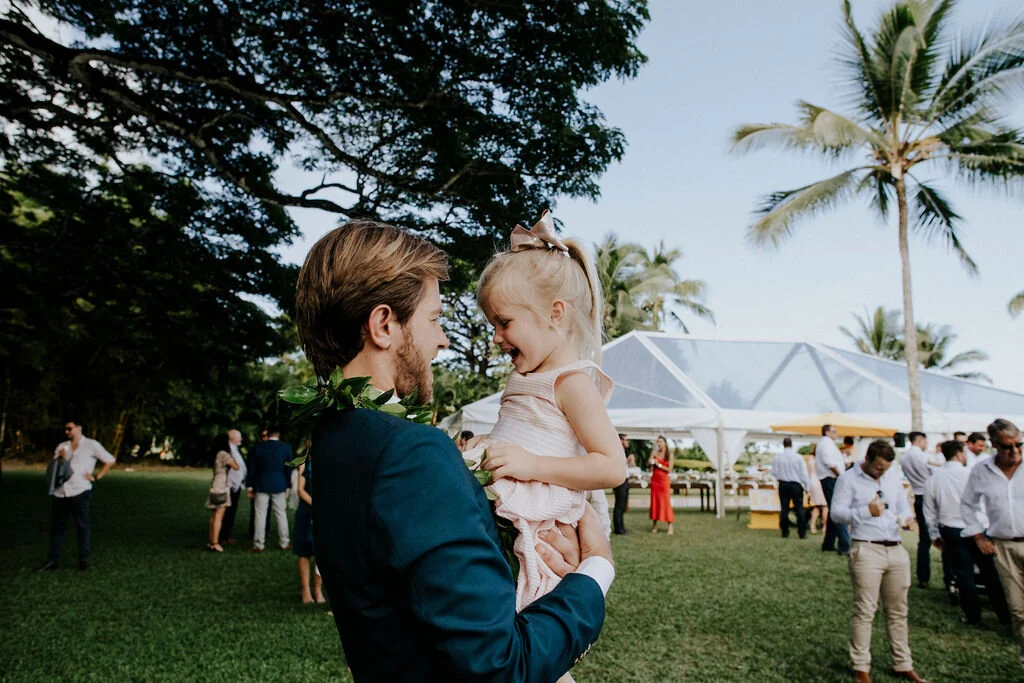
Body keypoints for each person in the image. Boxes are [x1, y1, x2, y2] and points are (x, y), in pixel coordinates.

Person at [296, 218, 614, 681]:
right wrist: (595, 569)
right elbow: (501, 668)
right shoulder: (412, 454)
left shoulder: (332, 438)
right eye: (434, 319)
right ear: (384, 325)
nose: (442, 340)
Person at [470, 209, 625, 630]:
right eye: (492, 324)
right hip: (509, 518)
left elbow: (612, 466)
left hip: (541, 527)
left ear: (555, 313)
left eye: (504, 322)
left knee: (528, 636)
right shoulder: (525, 375)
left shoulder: (571, 382)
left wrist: (531, 465)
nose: (497, 337)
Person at [831, 440, 929, 683]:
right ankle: (861, 668)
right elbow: (836, 514)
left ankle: (903, 664)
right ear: (867, 459)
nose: (881, 472)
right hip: (866, 548)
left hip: (894, 548)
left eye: (885, 468)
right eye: (878, 468)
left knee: (898, 611)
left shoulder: (892, 476)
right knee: (865, 610)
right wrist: (865, 512)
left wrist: (907, 519)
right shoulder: (848, 479)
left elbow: (902, 506)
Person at [961, 419, 1024, 672]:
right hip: (1003, 547)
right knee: (1018, 610)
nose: (1015, 452)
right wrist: (978, 536)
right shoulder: (981, 471)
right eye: (1008, 447)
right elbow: (967, 504)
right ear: (994, 445)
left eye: (1019, 444)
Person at [925, 439, 1010, 626]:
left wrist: (933, 534)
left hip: (951, 529)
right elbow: (985, 503)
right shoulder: (970, 474)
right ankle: (1004, 615)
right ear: (958, 454)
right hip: (978, 527)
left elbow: (929, 510)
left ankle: (973, 616)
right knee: (991, 574)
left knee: (964, 575)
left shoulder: (934, 478)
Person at [40, 419, 116, 571]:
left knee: (82, 526)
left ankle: (83, 560)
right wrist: (61, 457)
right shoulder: (62, 446)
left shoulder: (91, 445)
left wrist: (97, 476)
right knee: (57, 528)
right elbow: (55, 468)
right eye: (65, 429)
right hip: (60, 492)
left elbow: (110, 460)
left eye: (69, 428)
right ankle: (52, 561)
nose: (66, 432)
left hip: (80, 490)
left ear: (79, 428)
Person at [900, 431, 940, 589]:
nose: (926, 445)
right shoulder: (922, 456)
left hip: (917, 495)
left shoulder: (904, 457)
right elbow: (936, 470)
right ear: (920, 440)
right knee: (941, 535)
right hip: (929, 495)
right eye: (925, 441)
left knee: (923, 539)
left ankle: (923, 577)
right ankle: (950, 578)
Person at [245, 427, 293, 552]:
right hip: (280, 484)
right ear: (278, 434)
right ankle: (284, 542)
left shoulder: (258, 447)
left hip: (261, 484)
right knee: (281, 514)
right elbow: (288, 469)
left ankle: (259, 544)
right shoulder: (286, 448)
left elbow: (252, 468)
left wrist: (250, 486)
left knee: (260, 515)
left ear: (268, 434)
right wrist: (288, 485)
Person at [293, 459, 324, 603]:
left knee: (322, 552)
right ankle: (305, 590)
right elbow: (300, 489)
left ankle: (318, 590)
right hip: (306, 511)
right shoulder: (304, 463)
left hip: (325, 514)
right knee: (304, 550)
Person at [816, 424, 850, 555]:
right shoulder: (825, 444)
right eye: (834, 431)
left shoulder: (828, 443)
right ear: (827, 432)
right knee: (838, 508)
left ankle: (828, 543)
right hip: (831, 478)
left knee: (833, 510)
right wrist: (841, 475)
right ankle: (845, 545)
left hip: (832, 478)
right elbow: (829, 462)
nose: (837, 434)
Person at [205, 433, 240, 552]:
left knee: (213, 516)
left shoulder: (215, 454)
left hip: (214, 484)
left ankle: (210, 541)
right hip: (221, 486)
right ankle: (215, 542)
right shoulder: (223, 454)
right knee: (219, 516)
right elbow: (236, 466)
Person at [772, 437, 811, 539]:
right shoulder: (798, 457)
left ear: (783, 444)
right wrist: (807, 486)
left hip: (783, 484)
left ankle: (785, 531)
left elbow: (774, 472)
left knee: (784, 508)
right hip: (796, 484)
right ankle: (802, 532)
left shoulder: (778, 457)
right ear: (791, 444)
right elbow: (803, 473)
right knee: (799, 509)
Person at [218, 429, 247, 546]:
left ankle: (226, 535)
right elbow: (235, 468)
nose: (241, 439)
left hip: (236, 485)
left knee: (231, 512)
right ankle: (222, 537)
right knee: (227, 512)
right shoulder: (229, 451)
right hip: (230, 485)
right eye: (239, 437)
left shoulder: (234, 449)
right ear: (233, 439)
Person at [648, 436, 675, 535]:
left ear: (665, 443)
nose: (658, 444)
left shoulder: (669, 455)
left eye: (660, 442)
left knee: (666, 502)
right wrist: (651, 461)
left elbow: (669, 469)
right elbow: (650, 467)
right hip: (655, 480)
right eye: (657, 442)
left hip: (664, 481)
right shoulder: (654, 453)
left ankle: (670, 526)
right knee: (655, 502)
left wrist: (658, 464)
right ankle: (654, 525)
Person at [804, 445, 828, 534]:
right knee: (825, 506)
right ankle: (825, 526)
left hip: (812, 482)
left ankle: (813, 525)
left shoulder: (810, 459)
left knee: (816, 506)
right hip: (820, 482)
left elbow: (808, 473)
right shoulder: (822, 460)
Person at [612, 434, 631, 535]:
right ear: (621, 440)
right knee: (619, 505)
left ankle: (622, 527)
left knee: (623, 505)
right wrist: (628, 460)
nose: (628, 442)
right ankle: (618, 529)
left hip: (626, 479)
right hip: (621, 480)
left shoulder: (623, 451)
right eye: (626, 440)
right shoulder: (617, 451)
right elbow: (618, 465)